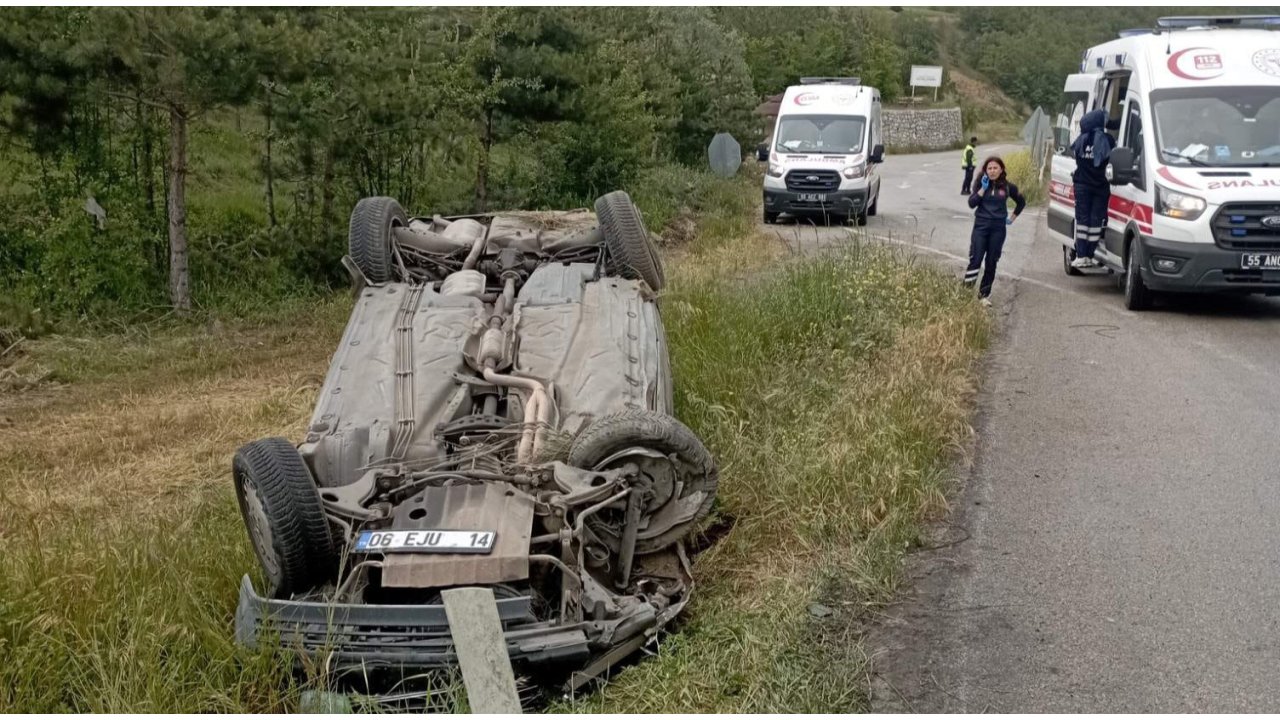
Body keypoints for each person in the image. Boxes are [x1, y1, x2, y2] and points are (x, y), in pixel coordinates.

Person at [965, 156, 1026, 305]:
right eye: (989, 168)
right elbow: (971, 203)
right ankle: (965, 293)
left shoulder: (1007, 187)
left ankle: (983, 296)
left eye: (995, 168)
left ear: (1001, 169)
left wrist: (1012, 218)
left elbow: (1021, 202)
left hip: (998, 229)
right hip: (981, 227)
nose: (992, 171)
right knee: (976, 259)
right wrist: (982, 189)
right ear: (986, 170)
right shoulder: (980, 183)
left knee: (991, 261)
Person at [1069, 109, 1114, 268]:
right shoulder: (1108, 140)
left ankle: (1081, 255)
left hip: (1082, 185)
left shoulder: (1080, 140)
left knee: (1082, 220)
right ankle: (1090, 254)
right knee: (1096, 221)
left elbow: (1076, 158)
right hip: (1101, 187)